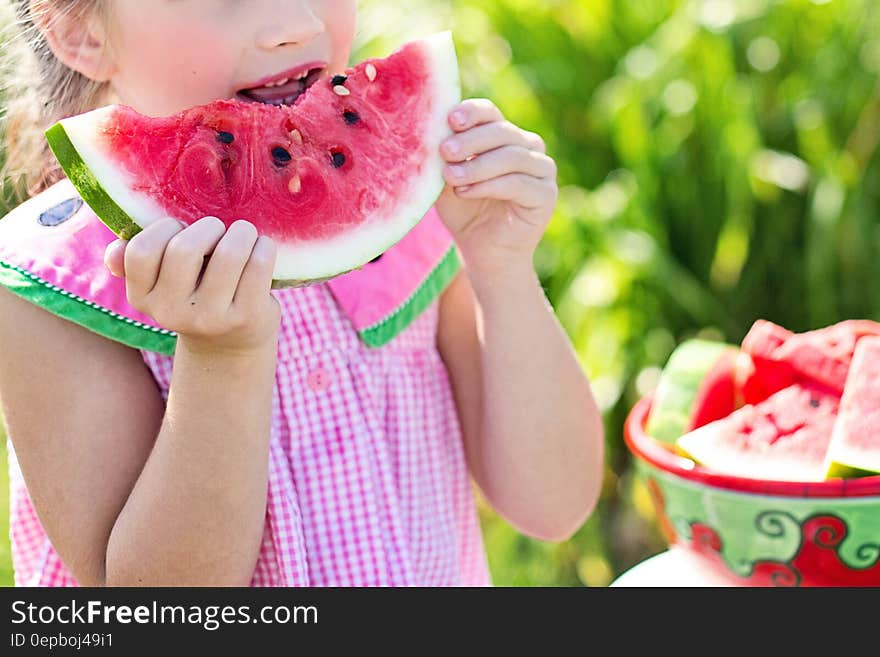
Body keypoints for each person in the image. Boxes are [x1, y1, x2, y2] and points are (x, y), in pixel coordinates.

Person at [0, 0, 604, 587]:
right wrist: (221, 360)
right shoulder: (54, 289)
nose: (297, 25)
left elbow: (554, 505)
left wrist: (502, 270)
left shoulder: (413, 208)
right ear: (81, 32)